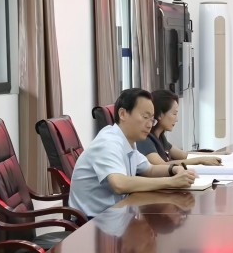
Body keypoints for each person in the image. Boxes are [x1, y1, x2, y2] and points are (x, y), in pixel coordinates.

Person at [69, 88, 196, 218]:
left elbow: (150, 169)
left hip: (115, 214)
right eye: (145, 117)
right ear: (123, 114)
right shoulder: (108, 142)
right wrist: (171, 182)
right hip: (92, 222)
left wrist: (174, 169)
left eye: (152, 119)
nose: (150, 125)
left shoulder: (128, 141)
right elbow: (119, 184)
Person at [139, 89, 223, 167]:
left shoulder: (160, 137)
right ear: (160, 114)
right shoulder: (144, 139)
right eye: (174, 114)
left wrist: (219, 154)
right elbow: (162, 166)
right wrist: (200, 160)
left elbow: (184, 155)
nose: (177, 119)